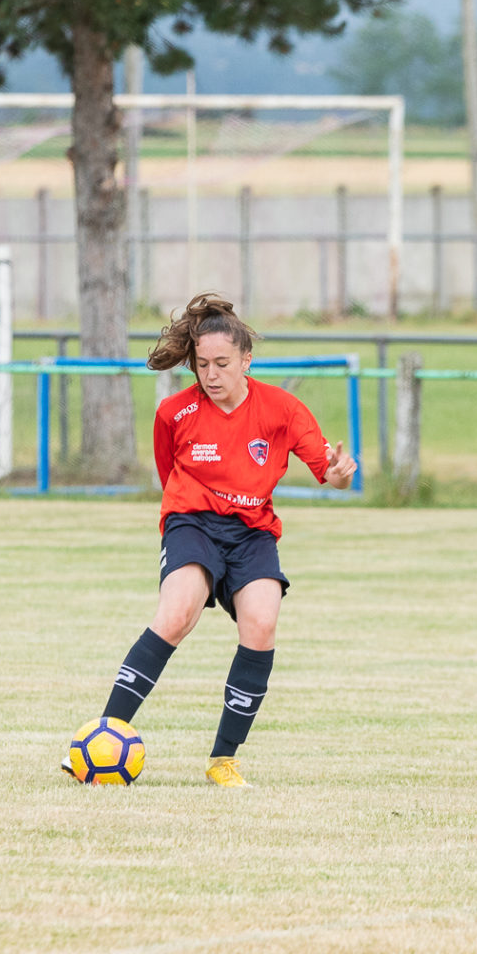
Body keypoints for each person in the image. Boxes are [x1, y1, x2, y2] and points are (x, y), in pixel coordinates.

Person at [75, 293, 356, 787]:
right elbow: (169, 473)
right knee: (176, 614)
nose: (211, 374)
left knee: (261, 624)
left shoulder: (282, 409)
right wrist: (190, 510)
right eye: (202, 364)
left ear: (246, 360)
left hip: (253, 533)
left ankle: (223, 759)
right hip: (192, 523)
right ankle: (102, 737)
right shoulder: (174, 413)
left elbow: (328, 472)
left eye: (222, 363)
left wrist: (339, 473)